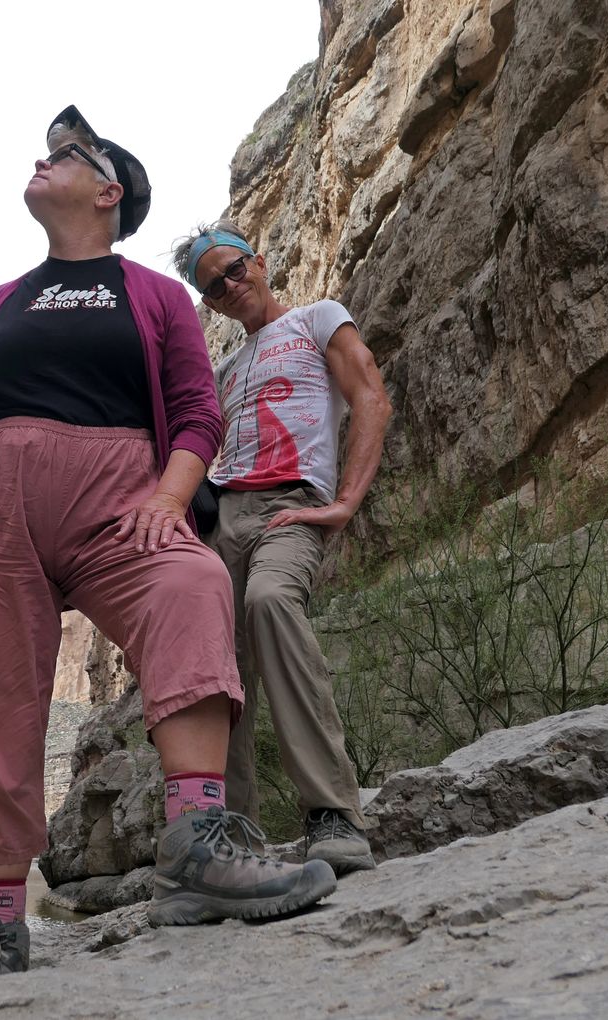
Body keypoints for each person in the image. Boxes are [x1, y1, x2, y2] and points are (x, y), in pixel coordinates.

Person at [0, 112, 336, 994]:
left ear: (108, 193)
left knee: (192, 581)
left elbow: (194, 412)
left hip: (120, 501)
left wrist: (174, 498)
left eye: (63, 155)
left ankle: (200, 852)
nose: (41, 159)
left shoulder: (157, 294)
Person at [171, 220, 392, 876]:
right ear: (208, 303)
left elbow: (370, 396)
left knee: (270, 600)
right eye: (213, 286)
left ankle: (334, 814)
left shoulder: (319, 319)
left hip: (289, 506)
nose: (230, 286)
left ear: (260, 261)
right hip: (221, 522)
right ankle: (231, 842)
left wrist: (345, 501)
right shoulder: (226, 369)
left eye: (235, 269)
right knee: (215, 670)